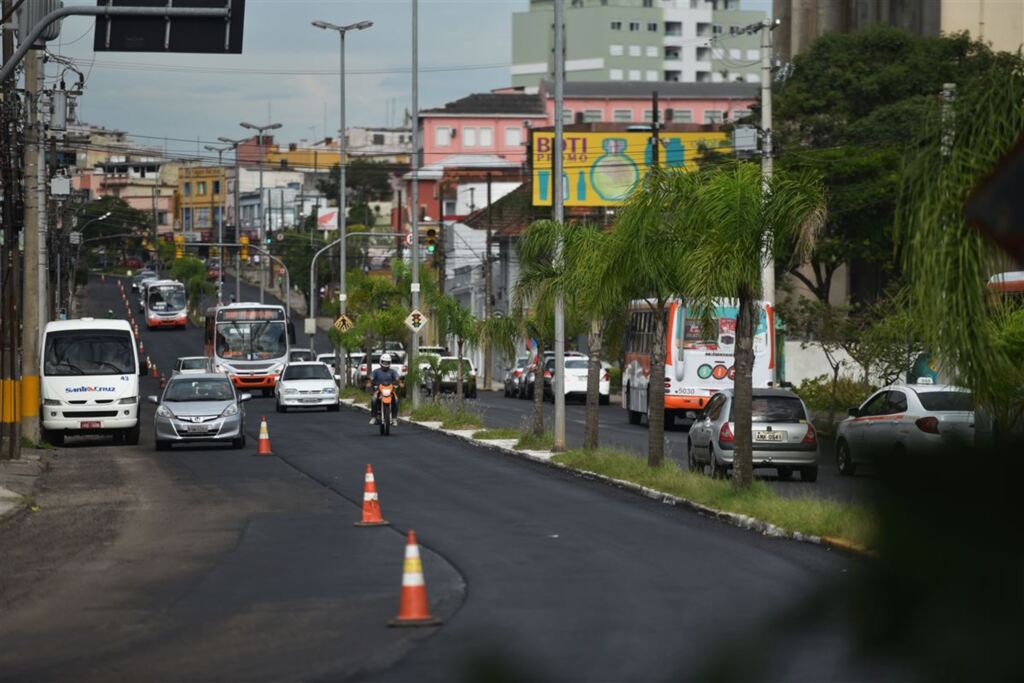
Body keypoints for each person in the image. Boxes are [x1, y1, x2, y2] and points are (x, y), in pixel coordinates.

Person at [369, 353, 401, 425]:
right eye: (384, 362)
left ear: (390, 363)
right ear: (381, 362)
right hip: (378, 390)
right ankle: (373, 417)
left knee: (396, 400)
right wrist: (370, 380)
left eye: (387, 362)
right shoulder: (376, 371)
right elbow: (371, 377)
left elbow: (397, 377)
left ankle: (394, 418)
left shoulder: (392, 371)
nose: (385, 364)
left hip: (390, 391)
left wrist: (398, 380)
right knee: (374, 399)